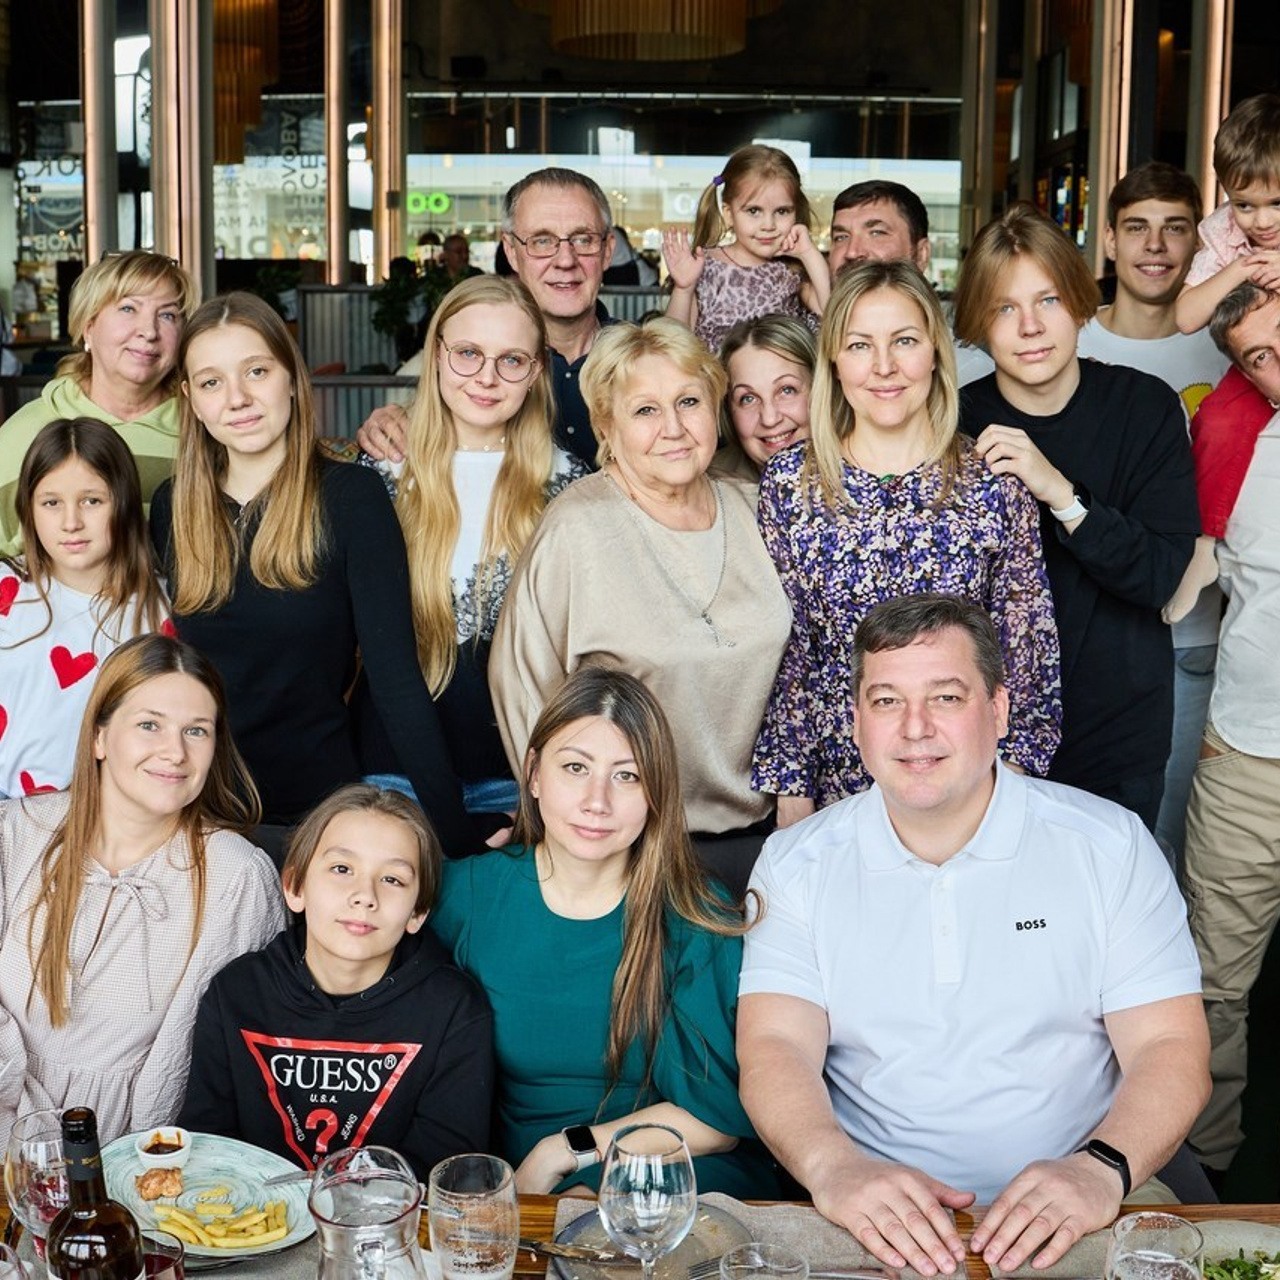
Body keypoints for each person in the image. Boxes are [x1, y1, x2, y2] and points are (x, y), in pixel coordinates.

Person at [738, 594, 1209, 1275]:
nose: (915, 728)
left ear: (999, 710)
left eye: (947, 697)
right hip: (870, 1210)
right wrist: (834, 1168)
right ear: (857, 722)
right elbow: (775, 1046)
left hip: (1089, 1195)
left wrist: (1099, 1169)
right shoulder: (795, 862)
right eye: (887, 701)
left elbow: (1170, 1046)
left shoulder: (1108, 845)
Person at [149, 292, 490, 854]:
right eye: (211, 382)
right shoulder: (172, 507)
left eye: (256, 371)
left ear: (290, 376)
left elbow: (396, 679)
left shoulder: (350, 496)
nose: (237, 398)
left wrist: (454, 831)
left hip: (318, 814)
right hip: (198, 812)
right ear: (190, 398)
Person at [433, 666, 779, 1197]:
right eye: (575, 767)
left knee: (591, 1213)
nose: (598, 800)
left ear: (656, 794)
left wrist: (564, 1154)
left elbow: (716, 1123)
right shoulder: (468, 893)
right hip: (501, 1173)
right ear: (533, 774)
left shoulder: (690, 911)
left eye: (627, 776)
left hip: (666, 1163)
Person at [752, 261, 1061, 824]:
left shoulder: (994, 479)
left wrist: (1010, 782)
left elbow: (1028, 646)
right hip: (837, 785)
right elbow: (788, 651)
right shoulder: (791, 482)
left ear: (937, 352)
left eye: (905, 341)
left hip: (967, 784)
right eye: (861, 345)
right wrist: (792, 793)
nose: (885, 366)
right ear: (834, 362)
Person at [489, 318, 791, 892]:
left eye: (689, 402)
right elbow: (522, 685)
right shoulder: (577, 526)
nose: (673, 428)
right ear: (607, 424)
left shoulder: (758, 510)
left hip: (762, 838)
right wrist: (575, 830)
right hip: (627, 847)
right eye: (645, 410)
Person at [955, 203, 1199, 830]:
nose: (1030, 326)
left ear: (1082, 306)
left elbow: (1160, 576)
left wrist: (1059, 492)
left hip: (1119, 734)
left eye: (1050, 301)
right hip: (987, 740)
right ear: (979, 324)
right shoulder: (953, 424)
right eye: (1005, 308)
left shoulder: (1144, 407)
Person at [0, 632, 285, 1148]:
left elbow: (187, 1061)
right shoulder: (15, 833)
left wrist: (130, 1170)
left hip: (133, 1154)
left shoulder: (235, 876)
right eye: (149, 724)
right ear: (100, 738)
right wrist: (21, 1137)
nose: (174, 752)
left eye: (196, 731)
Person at [355, 275, 589, 823]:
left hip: (520, 775)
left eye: (511, 360)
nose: (486, 377)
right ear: (435, 355)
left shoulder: (570, 484)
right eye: (467, 354)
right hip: (393, 773)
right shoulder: (381, 471)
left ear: (536, 371)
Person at [179, 784, 493, 1180]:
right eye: (342, 869)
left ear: (418, 911)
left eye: (393, 879)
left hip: (390, 1229)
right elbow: (208, 1142)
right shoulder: (237, 993)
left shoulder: (454, 1010)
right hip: (256, 1226)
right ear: (294, 886)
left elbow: (446, 1166)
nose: (365, 896)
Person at [1076, 162, 1232, 866]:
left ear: (1200, 243)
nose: (1156, 247)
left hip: (1198, 640)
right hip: (1092, 636)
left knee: (1172, 845)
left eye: (1176, 229)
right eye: (1137, 228)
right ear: (1107, 239)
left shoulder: (1231, 342)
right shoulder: (1067, 343)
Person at [1181, 282, 1280, 1183]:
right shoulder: (1234, 442)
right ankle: (1210, 1186)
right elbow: (1190, 586)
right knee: (1214, 985)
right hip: (1247, 754)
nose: (1279, 364)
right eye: (1258, 357)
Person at [359, 168, 620, 469]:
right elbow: (419, 412)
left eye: (583, 239)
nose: (565, 260)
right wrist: (393, 422)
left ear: (607, 250)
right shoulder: (460, 354)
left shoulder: (639, 358)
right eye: (542, 241)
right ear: (510, 250)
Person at [1, 419, 168, 800]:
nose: (71, 523)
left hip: (109, 815)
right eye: (51, 503)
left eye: (92, 501)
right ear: (29, 508)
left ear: (122, 504)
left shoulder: (159, 607)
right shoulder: (5, 591)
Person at [0, 251, 199, 556]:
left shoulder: (206, 430)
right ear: (88, 326)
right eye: (128, 308)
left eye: (168, 315)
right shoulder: (25, 434)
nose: (149, 331)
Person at [826, 179, 995, 385]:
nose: (852, 252)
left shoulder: (968, 374)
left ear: (922, 254)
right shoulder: (808, 358)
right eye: (841, 237)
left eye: (877, 233)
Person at [662, 145, 830, 352]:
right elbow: (674, 344)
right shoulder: (703, 266)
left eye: (782, 211)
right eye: (753, 211)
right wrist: (684, 288)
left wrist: (809, 254)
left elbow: (830, 317)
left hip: (774, 382)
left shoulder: (792, 270)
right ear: (729, 214)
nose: (768, 225)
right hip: (717, 384)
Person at [1176, 93, 1280, 334]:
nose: (1262, 222)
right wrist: (1243, 267)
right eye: (1244, 205)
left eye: (1277, 203)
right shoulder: (1224, 230)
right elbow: (1186, 319)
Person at [715, 315, 815, 481]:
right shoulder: (714, 490)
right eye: (748, 399)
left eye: (787, 390)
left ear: (820, 388)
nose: (769, 419)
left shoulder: (864, 473)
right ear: (728, 411)